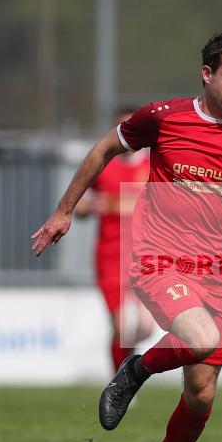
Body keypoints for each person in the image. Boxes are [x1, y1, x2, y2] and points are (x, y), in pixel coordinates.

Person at [31, 30, 222, 442]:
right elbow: (102, 151)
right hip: (159, 257)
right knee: (202, 339)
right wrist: (64, 210)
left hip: (213, 267)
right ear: (206, 74)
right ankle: (136, 371)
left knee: (202, 392)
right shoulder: (163, 117)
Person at [74, 106, 155, 373]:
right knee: (121, 328)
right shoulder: (103, 166)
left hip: (145, 258)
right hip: (110, 256)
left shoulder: (152, 166)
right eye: (123, 128)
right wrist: (88, 207)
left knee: (144, 327)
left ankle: (125, 375)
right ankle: (119, 381)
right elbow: (81, 207)